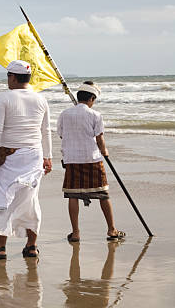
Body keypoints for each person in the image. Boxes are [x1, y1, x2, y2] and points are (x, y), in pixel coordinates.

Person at [0, 60, 52, 259]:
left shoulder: (4, 98)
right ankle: (31, 246)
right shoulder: (41, 99)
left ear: (12, 77)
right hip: (35, 155)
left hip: (11, 156)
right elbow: (45, 131)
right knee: (31, 199)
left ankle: (0, 247)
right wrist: (48, 157)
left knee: (3, 199)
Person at [57, 81, 125, 242]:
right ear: (92, 98)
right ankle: (112, 230)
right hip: (92, 159)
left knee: (72, 195)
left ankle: (75, 233)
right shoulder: (95, 115)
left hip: (72, 159)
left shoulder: (64, 114)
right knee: (103, 194)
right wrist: (105, 151)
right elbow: (99, 138)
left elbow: (61, 134)